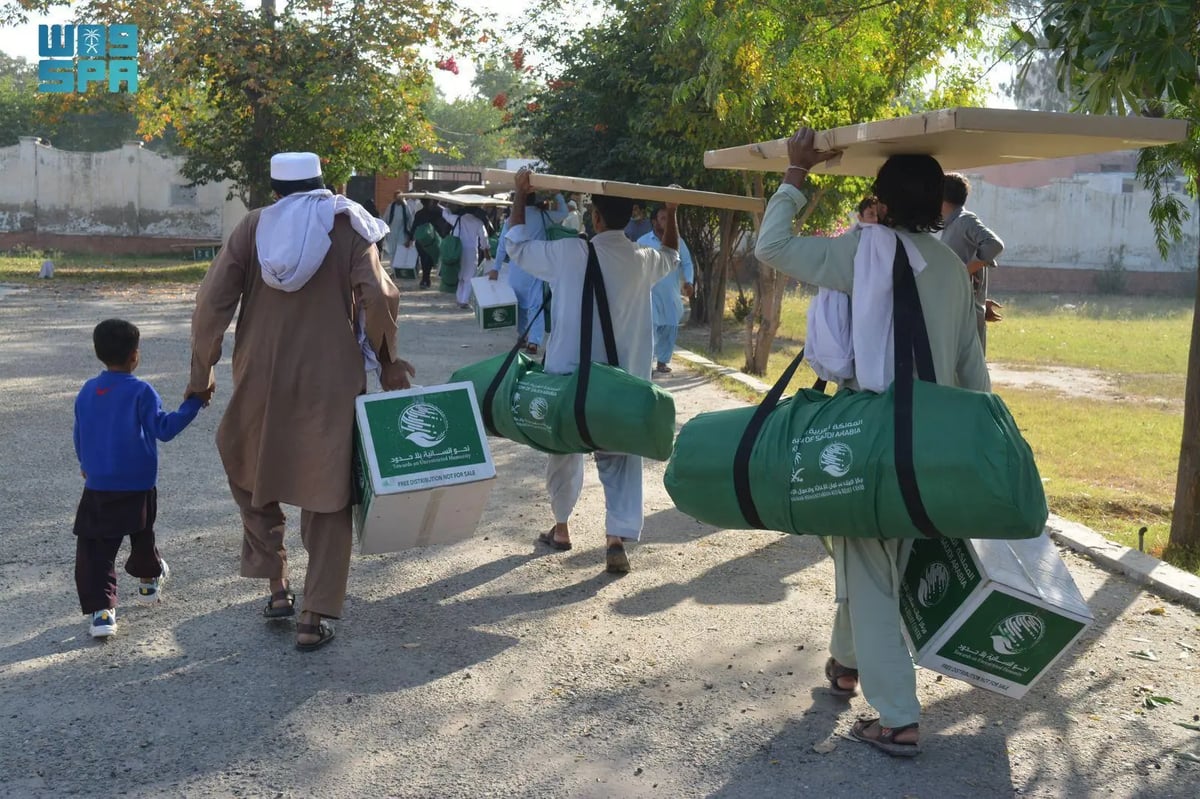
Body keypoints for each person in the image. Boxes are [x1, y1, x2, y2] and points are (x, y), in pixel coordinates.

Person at [755, 128, 989, 758]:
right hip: (934, 439)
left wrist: (796, 175)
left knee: (869, 568)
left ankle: (898, 719)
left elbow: (771, 245)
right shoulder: (948, 265)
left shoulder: (862, 252)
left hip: (869, 439)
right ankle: (845, 662)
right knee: (868, 559)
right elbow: (972, 371)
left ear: (879, 202)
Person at [187, 152, 415, 652]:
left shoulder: (253, 228)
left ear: (274, 191)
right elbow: (378, 296)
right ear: (324, 183)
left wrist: (200, 374)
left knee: (250, 470)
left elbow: (211, 303)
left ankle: (275, 586)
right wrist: (388, 359)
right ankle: (314, 616)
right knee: (327, 492)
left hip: (259, 374)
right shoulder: (349, 223)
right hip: (331, 379)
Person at [504, 167, 680, 574]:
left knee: (563, 448)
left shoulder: (568, 253)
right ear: (629, 218)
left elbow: (516, 245)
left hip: (570, 379)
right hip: (624, 382)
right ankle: (615, 538)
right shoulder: (642, 259)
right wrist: (672, 211)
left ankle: (562, 527)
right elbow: (672, 254)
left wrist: (520, 196)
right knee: (620, 457)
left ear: (596, 218)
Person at [73, 319, 208, 638]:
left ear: (98, 353)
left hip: (99, 484)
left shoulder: (87, 391)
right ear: (135, 355)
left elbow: (80, 431)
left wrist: (85, 462)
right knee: (142, 533)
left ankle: (103, 613)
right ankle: (149, 584)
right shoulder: (141, 391)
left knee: (98, 551)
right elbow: (164, 428)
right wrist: (194, 403)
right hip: (138, 483)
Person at [490, 191, 569, 355]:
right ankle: (534, 341)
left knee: (518, 304)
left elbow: (502, 245)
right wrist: (558, 195)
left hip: (517, 266)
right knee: (535, 304)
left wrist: (496, 268)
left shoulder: (512, 218)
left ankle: (522, 336)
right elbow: (563, 213)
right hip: (537, 264)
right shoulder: (543, 216)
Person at [940, 173, 1004, 354]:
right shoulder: (950, 225)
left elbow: (994, 244)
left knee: (966, 376)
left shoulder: (963, 221)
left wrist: (964, 271)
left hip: (966, 316)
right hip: (958, 310)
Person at [637, 206, 695, 374]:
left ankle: (662, 361)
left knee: (670, 326)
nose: (667, 222)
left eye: (669, 219)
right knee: (650, 327)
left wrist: (689, 282)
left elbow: (687, 263)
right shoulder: (643, 242)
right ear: (654, 222)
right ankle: (647, 362)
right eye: (663, 218)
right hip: (649, 294)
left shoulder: (678, 242)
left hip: (671, 294)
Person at [442, 204, 490, 309]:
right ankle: (464, 300)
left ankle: (459, 299)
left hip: (457, 250)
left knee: (460, 276)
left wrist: (447, 205)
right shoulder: (478, 222)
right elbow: (484, 238)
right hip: (471, 252)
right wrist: (486, 251)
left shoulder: (457, 219)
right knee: (469, 277)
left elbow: (445, 214)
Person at [410, 197, 452, 288]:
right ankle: (426, 279)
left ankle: (425, 279)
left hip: (421, 241)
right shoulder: (439, 212)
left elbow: (414, 228)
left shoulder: (419, 213)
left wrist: (410, 239)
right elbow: (443, 227)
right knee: (428, 259)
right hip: (434, 241)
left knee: (424, 259)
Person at [382, 192, 415, 273]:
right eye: (397, 197)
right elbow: (385, 219)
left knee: (400, 251)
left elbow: (410, 220)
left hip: (402, 232)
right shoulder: (391, 206)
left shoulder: (406, 207)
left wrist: (411, 236)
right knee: (392, 253)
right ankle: (393, 271)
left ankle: (400, 271)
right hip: (391, 232)